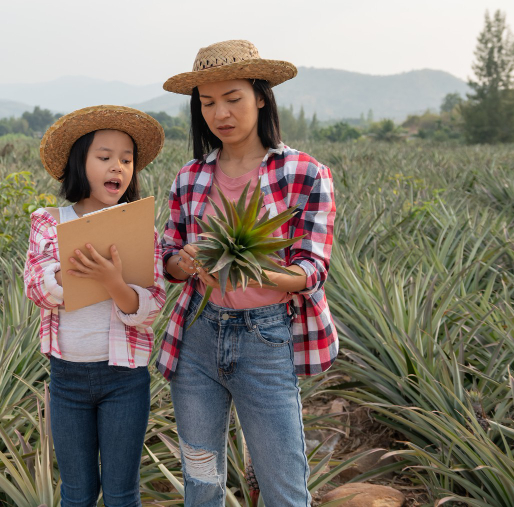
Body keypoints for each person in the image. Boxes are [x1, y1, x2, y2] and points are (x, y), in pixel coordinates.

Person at [156, 40, 337, 506]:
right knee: (202, 481)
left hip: (266, 339)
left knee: (283, 488)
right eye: (208, 102)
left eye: (233, 98)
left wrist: (252, 270)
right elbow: (171, 259)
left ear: (260, 95)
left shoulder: (305, 173)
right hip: (197, 337)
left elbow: (311, 271)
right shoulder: (190, 176)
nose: (221, 113)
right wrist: (186, 261)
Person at [24, 105, 167, 507]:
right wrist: (73, 276)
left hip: (125, 379)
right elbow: (36, 286)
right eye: (104, 157)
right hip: (67, 378)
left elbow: (151, 305)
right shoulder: (48, 222)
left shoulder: (142, 229)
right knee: (77, 492)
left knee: (122, 494)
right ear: (79, 162)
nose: (117, 167)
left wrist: (112, 281)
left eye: (126, 159)